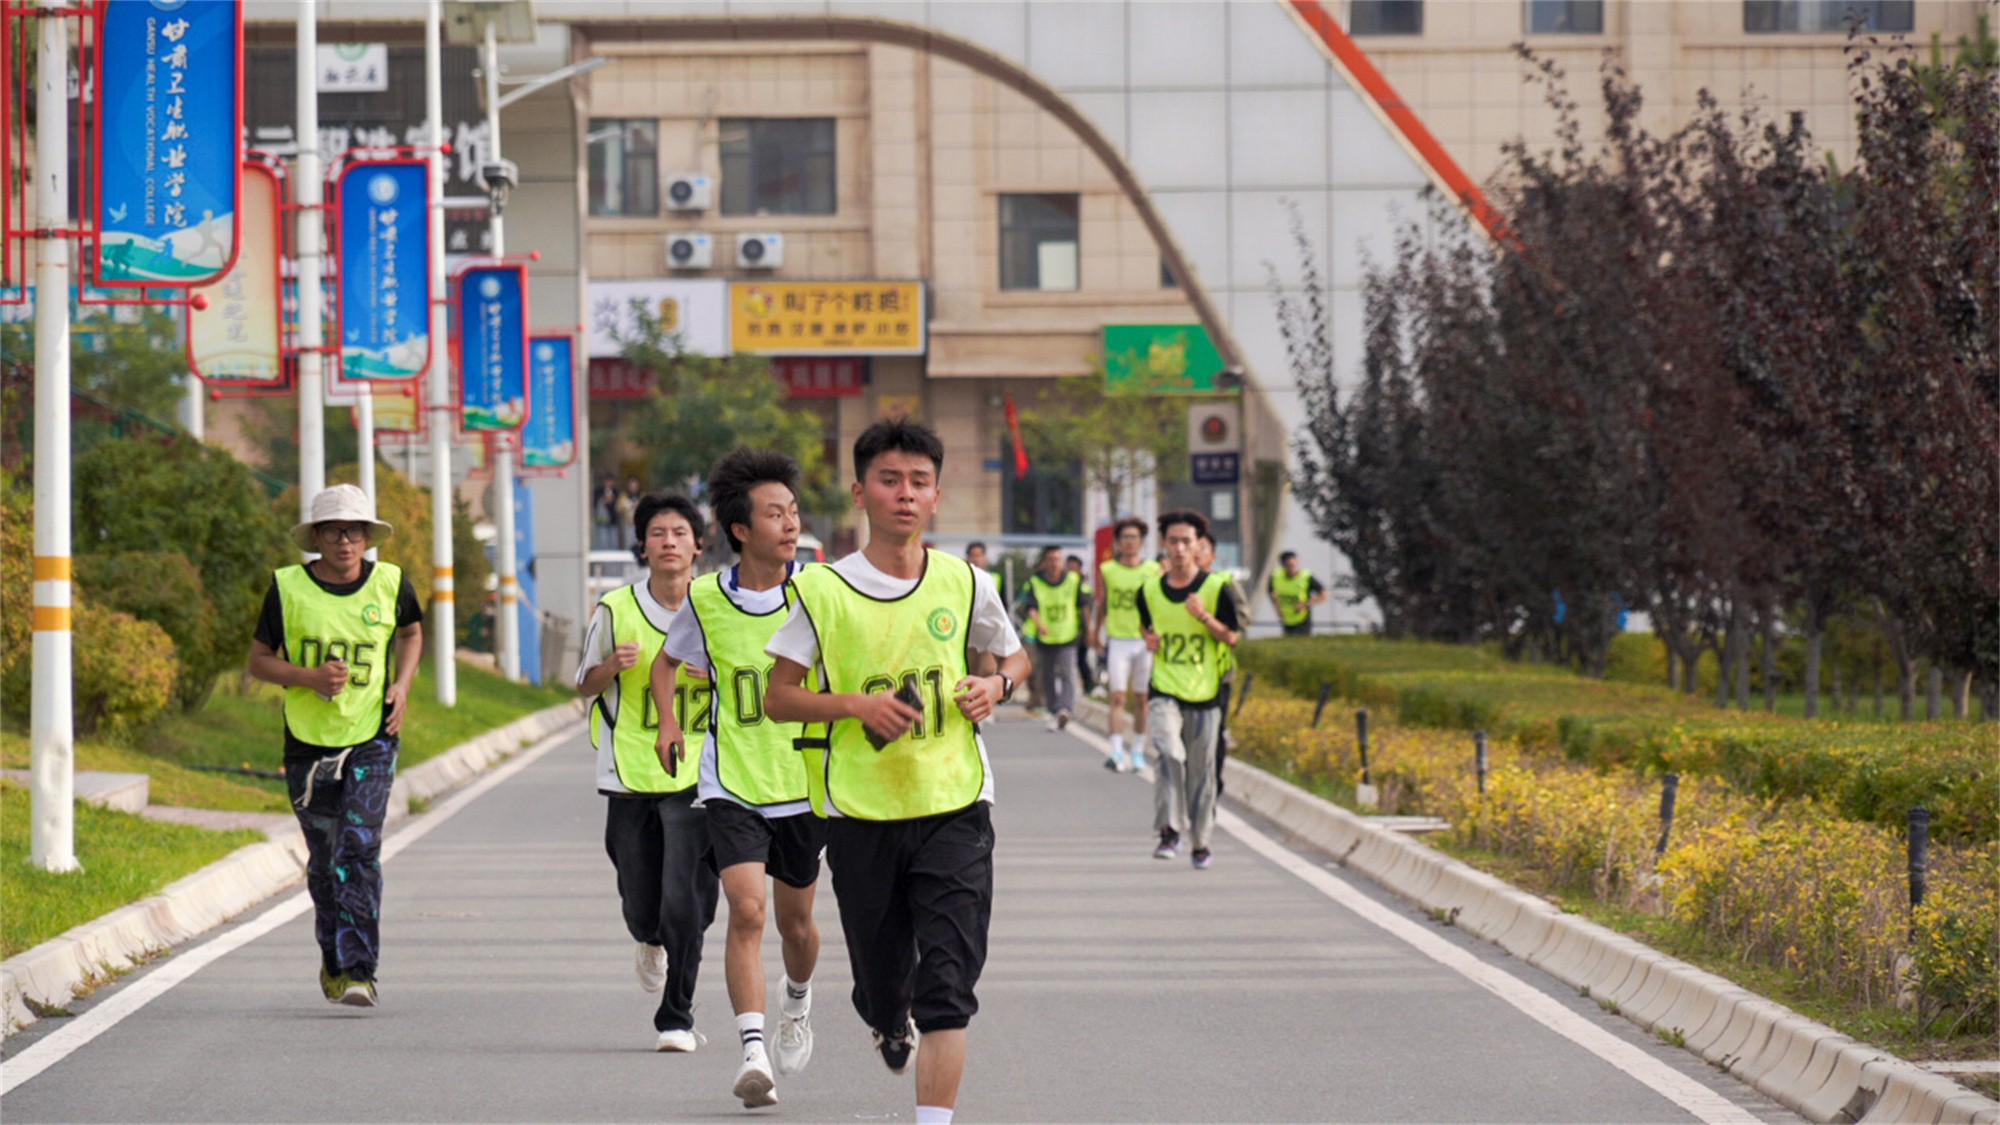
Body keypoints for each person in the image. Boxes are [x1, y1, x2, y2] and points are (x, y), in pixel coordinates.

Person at [764, 419, 1030, 1125]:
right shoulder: (823, 590)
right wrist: (856, 705)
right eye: (889, 480)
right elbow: (778, 696)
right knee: (884, 986)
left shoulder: (966, 582)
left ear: (937, 495)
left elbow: (1014, 656)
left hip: (955, 803)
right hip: (862, 813)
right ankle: (887, 1018)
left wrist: (996, 686)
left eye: (919, 481)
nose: (905, 493)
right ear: (860, 492)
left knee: (947, 988)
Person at [651, 449, 823, 1110]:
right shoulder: (705, 599)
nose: (791, 523)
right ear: (741, 529)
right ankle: (754, 1052)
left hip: (803, 782)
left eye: (793, 511)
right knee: (747, 910)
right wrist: (669, 723)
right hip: (732, 781)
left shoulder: (818, 592)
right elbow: (666, 663)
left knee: (797, 926)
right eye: (775, 514)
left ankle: (796, 1002)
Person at [248, 484, 423, 1007]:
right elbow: (259, 661)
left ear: (368, 537)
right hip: (308, 744)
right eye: (333, 531)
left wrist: (402, 686)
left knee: (358, 848)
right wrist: (308, 677)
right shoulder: (287, 588)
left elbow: (411, 633)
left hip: (373, 735)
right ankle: (334, 956)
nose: (345, 541)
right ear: (317, 537)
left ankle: (360, 970)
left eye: (355, 531)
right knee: (326, 862)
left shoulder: (391, 583)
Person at [574, 492, 720, 1053]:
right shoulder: (616, 609)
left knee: (686, 898)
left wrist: (715, 677)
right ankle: (649, 937)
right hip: (630, 769)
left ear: (698, 545)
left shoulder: (717, 606)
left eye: (680, 533)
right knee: (643, 900)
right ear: (643, 546)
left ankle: (676, 1016)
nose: (669, 543)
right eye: (658, 533)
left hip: (699, 770)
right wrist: (613, 666)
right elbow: (584, 684)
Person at [1137, 509, 1241, 871]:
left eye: (1187, 541)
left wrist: (1204, 617)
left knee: (1201, 772)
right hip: (1165, 688)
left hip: (1206, 693)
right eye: (1173, 541)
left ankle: (1201, 842)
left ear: (1199, 545)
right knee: (1169, 754)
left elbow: (1231, 636)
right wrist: (1149, 639)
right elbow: (1146, 625)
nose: (1180, 548)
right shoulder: (1149, 590)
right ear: (1164, 544)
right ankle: (1169, 831)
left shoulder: (1216, 588)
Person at [1090, 518, 1160, 772]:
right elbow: (1103, 602)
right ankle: (1117, 751)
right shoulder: (1108, 569)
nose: (1130, 542)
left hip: (1144, 641)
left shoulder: (1153, 570)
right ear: (1118, 542)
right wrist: (1095, 631)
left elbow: (1159, 604)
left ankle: (1138, 750)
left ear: (1142, 542)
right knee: (1118, 696)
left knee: (1141, 698)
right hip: (1118, 640)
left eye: (1134, 537)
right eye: (1125, 537)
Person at [1196, 531, 1247, 797]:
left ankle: (1212, 782)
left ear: (1213, 556)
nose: (1196, 552)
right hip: (1178, 673)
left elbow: (1241, 621)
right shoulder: (1171, 585)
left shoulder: (1225, 583)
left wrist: (1211, 620)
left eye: (1203, 548)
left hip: (1217, 671)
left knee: (1214, 730)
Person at [1021, 545, 1084, 730]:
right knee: (1046, 675)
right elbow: (1030, 607)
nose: (1055, 563)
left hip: (1067, 635)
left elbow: (1083, 605)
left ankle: (1065, 708)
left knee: (1066, 672)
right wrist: (1039, 623)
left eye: (1058, 559)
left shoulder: (1073, 580)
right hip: (1045, 637)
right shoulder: (1036, 582)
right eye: (1051, 559)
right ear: (1045, 562)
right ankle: (1053, 708)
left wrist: (1089, 629)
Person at [1268, 551, 1327, 637]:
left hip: (1302, 619)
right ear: (1283, 566)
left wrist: (1305, 604)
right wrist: (1277, 609)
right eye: (1289, 566)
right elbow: (1271, 593)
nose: (1293, 568)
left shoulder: (1306, 577)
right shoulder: (1276, 576)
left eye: (1295, 565)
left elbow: (1324, 594)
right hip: (1286, 619)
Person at [1065, 555, 1098, 697]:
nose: (1071, 570)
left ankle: (1089, 686)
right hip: (1067, 629)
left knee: (1081, 659)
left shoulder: (1084, 587)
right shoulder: (1065, 584)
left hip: (1080, 630)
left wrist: (1089, 630)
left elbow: (1086, 610)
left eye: (1073, 567)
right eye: (1069, 567)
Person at [594, 475, 622, 550]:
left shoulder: (616, 492)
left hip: (613, 520)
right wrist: (603, 499)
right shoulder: (598, 491)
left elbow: (619, 505)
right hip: (601, 520)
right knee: (603, 540)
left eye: (610, 481)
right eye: (607, 481)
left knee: (614, 541)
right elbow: (595, 503)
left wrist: (612, 500)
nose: (608, 483)